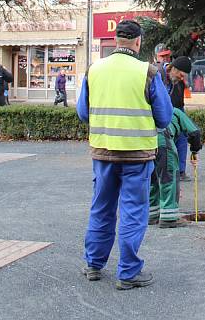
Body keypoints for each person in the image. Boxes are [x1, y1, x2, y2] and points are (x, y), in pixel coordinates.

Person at [77, 19, 172, 290]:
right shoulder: (147, 72)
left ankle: (94, 264)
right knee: (132, 211)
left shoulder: (94, 69)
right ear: (139, 41)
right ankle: (128, 272)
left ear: (116, 39)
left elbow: (83, 113)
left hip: (104, 152)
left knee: (102, 207)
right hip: (137, 156)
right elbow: (164, 118)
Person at [149, 107, 202, 228]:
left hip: (146, 144)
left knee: (152, 179)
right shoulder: (175, 112)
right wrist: (194, 151)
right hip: (163, 142)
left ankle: (152, 216)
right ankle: (169, 218)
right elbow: (194, 133)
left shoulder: (149, 110)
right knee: (169, 178)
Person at [167, 55, 193, 181]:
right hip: (167, 112)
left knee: (182, 140)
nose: (182, 79)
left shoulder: (176, 79)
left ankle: (181, 171)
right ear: (174, 69)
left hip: (179, 109)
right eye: (181, 75)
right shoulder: (160, 75)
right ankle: (168, 171)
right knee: (168, 141)